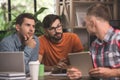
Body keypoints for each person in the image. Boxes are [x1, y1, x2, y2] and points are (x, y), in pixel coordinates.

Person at [67, 3, 120, 80]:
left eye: (85, 23)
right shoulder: (94, 45)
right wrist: (78, 74)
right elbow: (91, 73)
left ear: (92, 23)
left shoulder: (118, 38)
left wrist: (111, 73)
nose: (85, 26)